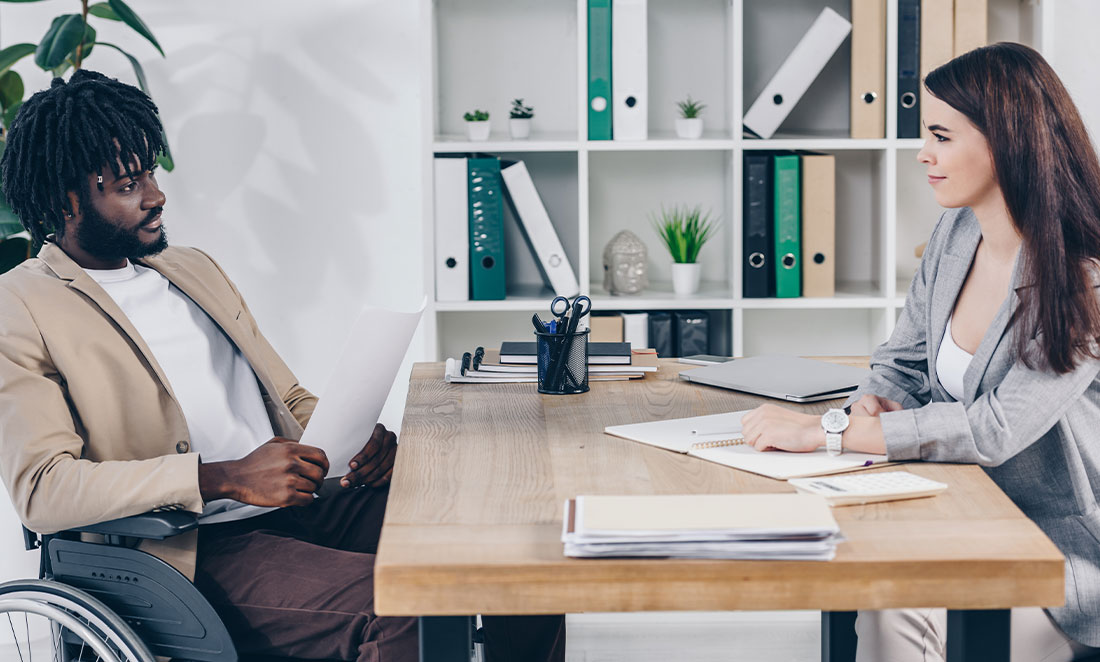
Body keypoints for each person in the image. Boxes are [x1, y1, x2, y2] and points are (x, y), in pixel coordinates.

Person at [0, 70, 564, 662]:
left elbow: (287, 399)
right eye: (125, 184)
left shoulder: (191, 269)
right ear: (67, 200)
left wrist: (356, 438)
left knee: (516, 552)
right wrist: (222, 477)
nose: (156, 195)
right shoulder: (23, 305)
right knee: (409, 603)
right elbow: (43, 488)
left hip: (301, 501)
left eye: (152, 172)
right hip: (192, 547)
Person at [738, 42, 1100, 661]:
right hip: (956, 507)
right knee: (873, 576)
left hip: (1051, 555)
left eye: (941, 135)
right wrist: (872, 405)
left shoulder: (1082, 280)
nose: (922, 153)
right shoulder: (957, 231)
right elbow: (901, 359)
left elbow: (994, 427)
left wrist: (828, 434)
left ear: (1005, 140)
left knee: (898, 598)